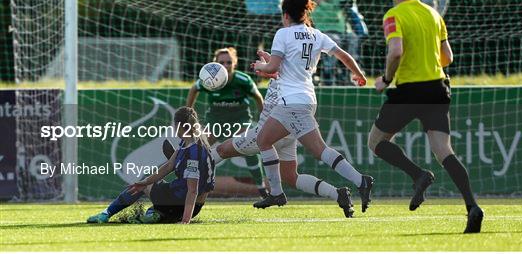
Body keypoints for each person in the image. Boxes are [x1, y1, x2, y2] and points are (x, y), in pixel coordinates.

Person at [367, 0, 483, 233]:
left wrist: (385, 79)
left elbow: (396, 51)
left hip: (409, 90)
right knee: (444, 150)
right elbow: (447, 58)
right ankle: (472, 206)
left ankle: (418, 174)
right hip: (438, 87)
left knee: (375, 142)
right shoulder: (433, 14)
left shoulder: (393, 15)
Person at [251, 0, 374, 211]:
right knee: (315, 151)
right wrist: (359, 74)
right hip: (307, 98)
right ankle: (360, 181)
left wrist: (261, 65)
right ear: (304, 13)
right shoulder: (316, 34)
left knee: (265, 141)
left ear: (286, 15)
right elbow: (343, 55)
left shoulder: (283, 33)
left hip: (291, 102)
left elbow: (274, 67)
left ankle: (277, 194)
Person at [210, 50, 355, 217]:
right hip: (287, 132)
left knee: (220, 150)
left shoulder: (287, 76)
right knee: (291, 177)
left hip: (268, 132)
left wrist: (265, 65)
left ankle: (191, 185)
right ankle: (338, 194)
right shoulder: (293, 74)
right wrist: (267, 63)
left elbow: (276, 72)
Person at [86, 107, 215, 225]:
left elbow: (193, 190)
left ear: (178, 125)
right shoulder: (191, 142)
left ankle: (105, 214)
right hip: (194, 207)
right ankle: (156, 215)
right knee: (153, 202)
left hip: (182, 202)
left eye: (174, 125)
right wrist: (144, 182)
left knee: (146, 188)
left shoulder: (193, 152)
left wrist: (185, 220)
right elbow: (169, 165)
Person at [186, 47, 267, 198]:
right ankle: (189, 185)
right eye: (221, 62)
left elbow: (258, 97)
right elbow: (193, 89)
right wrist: (188, 113)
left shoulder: (243, 80)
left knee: (248, 146)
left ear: (235, 63)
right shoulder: (208, 80)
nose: (225, 65)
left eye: (229, 62)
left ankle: (261, 186)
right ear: (215, 64)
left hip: (239, 120)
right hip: (216, 121)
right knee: (198, 148)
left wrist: (264, 119)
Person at [311, 0, 367, 85]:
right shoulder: (312, 4)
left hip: (343, 32)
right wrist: (322, 4)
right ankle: (328, 74)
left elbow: (349, 3)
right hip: (324, 33)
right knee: (334, 40)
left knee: (353, 38)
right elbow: (325, 16)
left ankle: (349, 74)